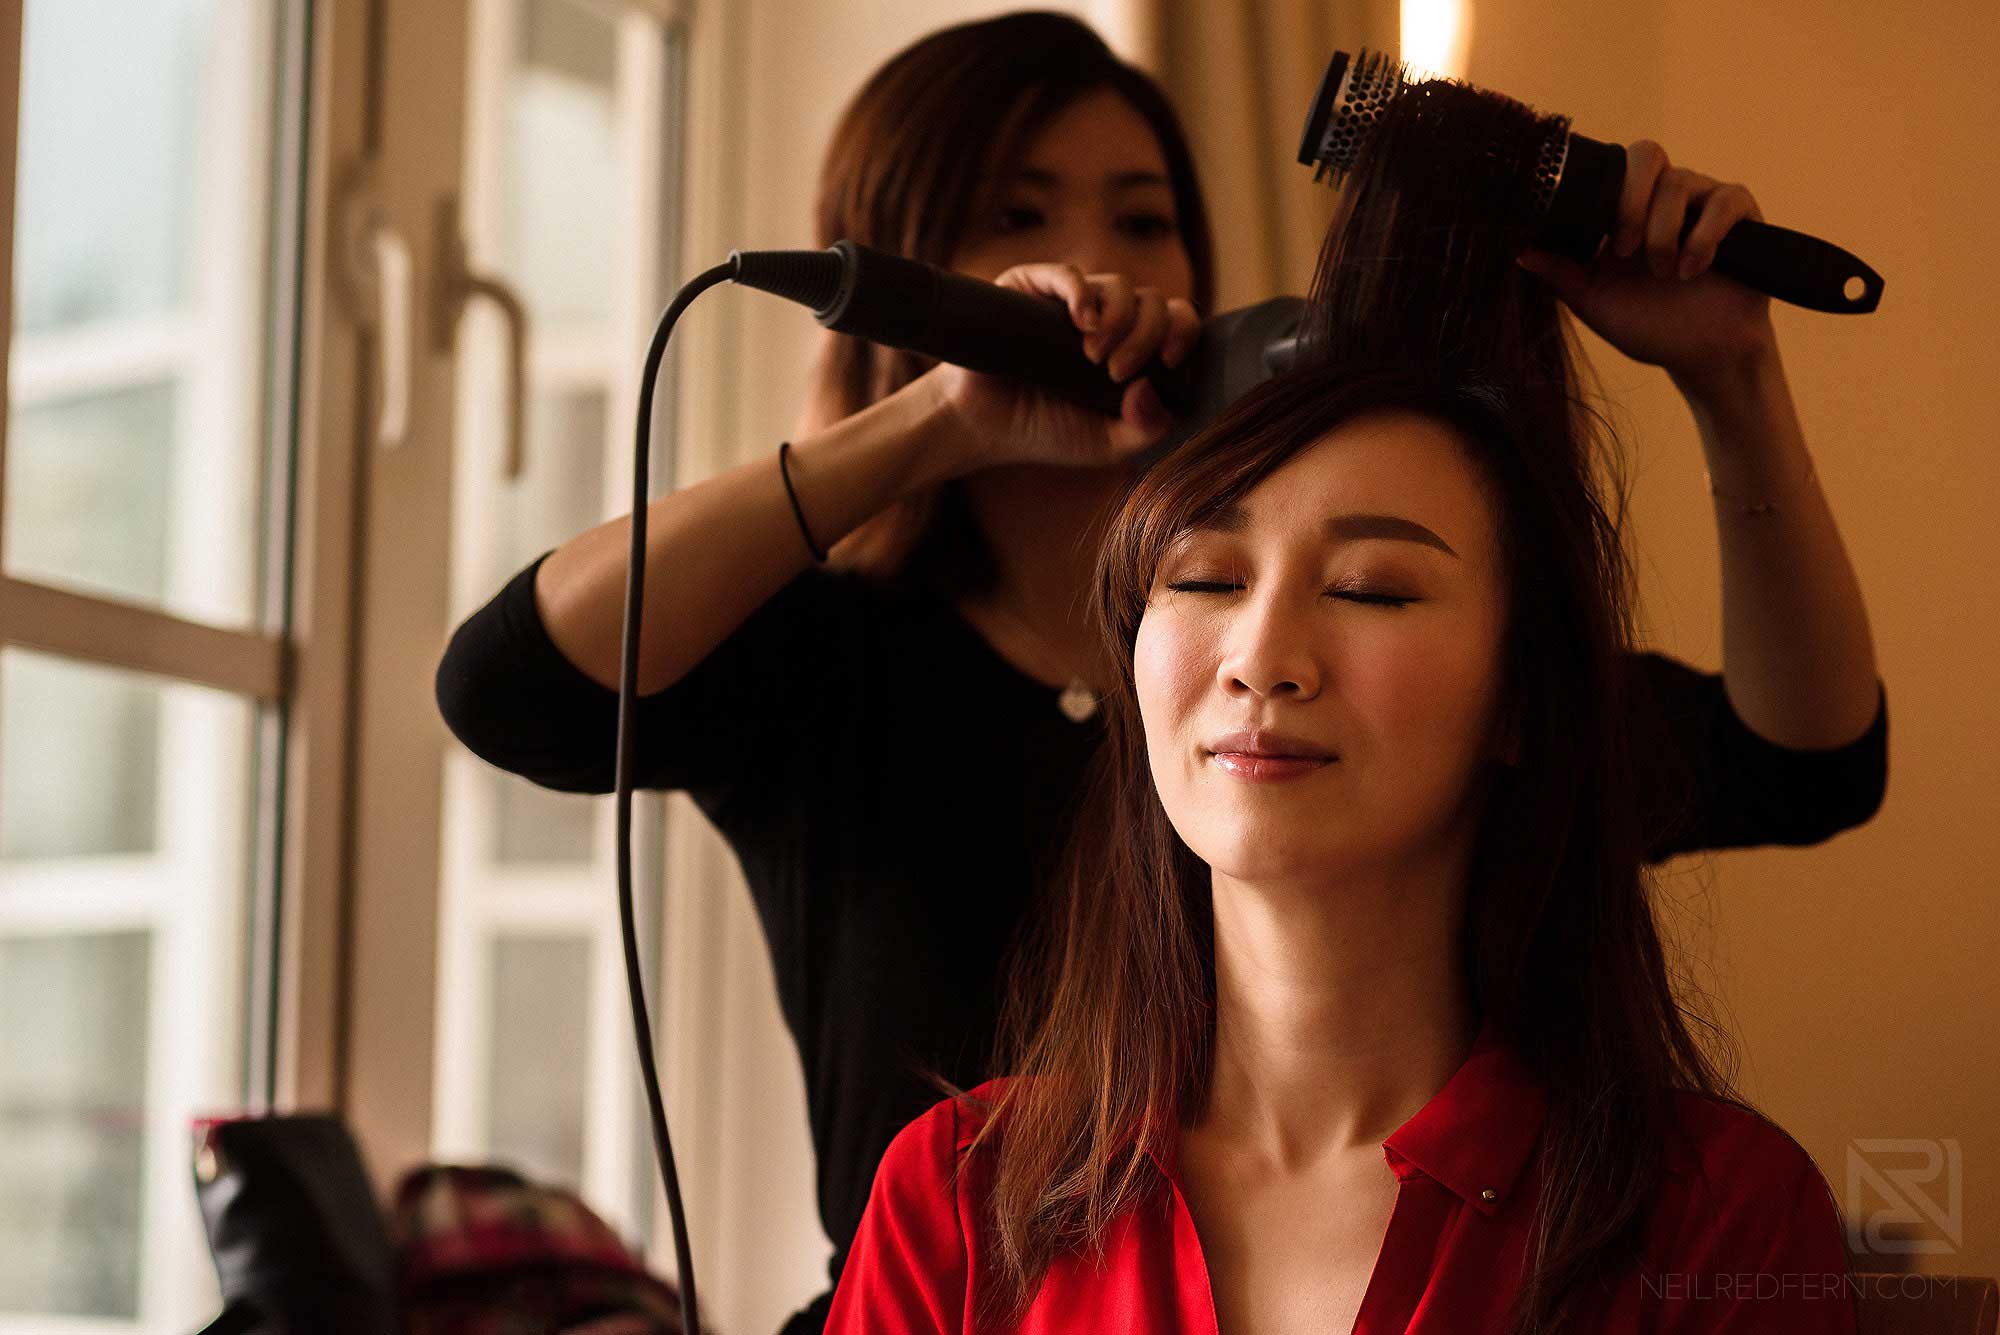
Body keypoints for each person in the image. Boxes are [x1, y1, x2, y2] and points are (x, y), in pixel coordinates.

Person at [431, 14, 1884, 1332]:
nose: (1263, 661)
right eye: (1016, 216)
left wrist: (1734, 380)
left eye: (1146, 217)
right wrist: (933, 424)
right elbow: (513, 686)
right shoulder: (837, 674)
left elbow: (1802, 757)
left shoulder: (1693, 1209)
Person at [823, 355, 1860, 1333]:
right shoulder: (957, 1198)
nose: (1261, 660)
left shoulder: (1716, 1217)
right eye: (1202, 579)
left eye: (1371, 589)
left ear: (1519, 702)